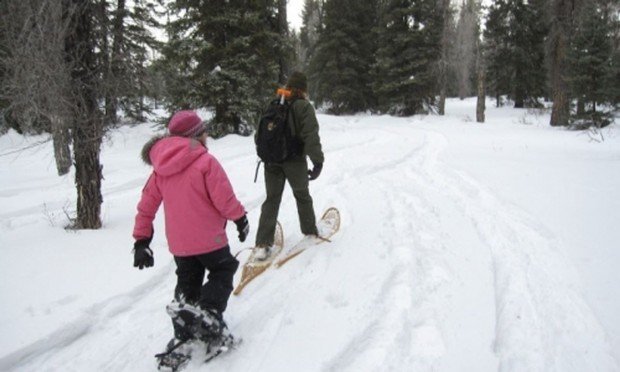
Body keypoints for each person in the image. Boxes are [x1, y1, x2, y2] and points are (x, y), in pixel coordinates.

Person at [131, 110, 249, 345]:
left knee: (187, 282)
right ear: (196, 135)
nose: (207, 135)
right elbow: (224, 200)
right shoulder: (206, 161)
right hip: (209, 240)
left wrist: (141, 241)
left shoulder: (159, 169)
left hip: (180, 244)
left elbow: (146, 207)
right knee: (223, 270)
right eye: (203, 131)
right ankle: (210, 313)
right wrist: (240, 219)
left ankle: (183, 335)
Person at [254, 71, 324, 260]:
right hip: (294, 161)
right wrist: (318, 161)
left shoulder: (273, 103)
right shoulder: (304, 107)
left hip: (271, 161)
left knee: (272, 200)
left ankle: (262, 244)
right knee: (302, 195)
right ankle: (309, 231)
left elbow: (258, 134)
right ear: (303, 89)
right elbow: (311, 136)